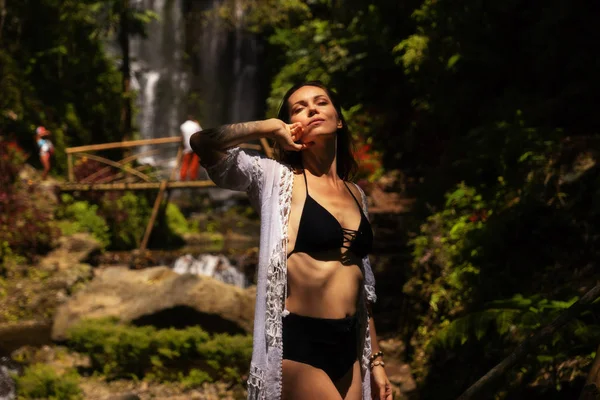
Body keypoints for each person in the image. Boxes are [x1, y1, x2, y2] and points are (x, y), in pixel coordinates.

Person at [191, 81, 393, 400]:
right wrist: (270, 127)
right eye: (299, 108)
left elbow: (363, 288)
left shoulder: (357, 195)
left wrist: (376, 361)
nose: (312, 109)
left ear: (339, 119)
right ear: (292, 125)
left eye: (321, 102)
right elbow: (202, 142)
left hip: (349, 348)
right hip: (301, 346)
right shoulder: (274, 179)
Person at [179, 116, 202, 180]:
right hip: (195, 146)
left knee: (185, 162)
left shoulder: (183, 126)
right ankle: (192, 178)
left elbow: (182, 136)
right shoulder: (196, 125)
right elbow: (201, 133)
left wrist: (183, 145)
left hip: (187, 146)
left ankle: (182, 177)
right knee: (194, 163)